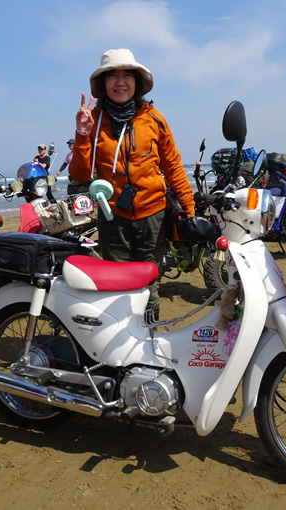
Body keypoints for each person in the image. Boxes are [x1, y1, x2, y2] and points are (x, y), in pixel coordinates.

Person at [69, 48, 195, 319]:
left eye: (127, 75)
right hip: (112, 217)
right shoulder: (94, 120)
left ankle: (148, 337)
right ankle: (121, 338)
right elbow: (80, 174)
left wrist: (189, 211)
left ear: (137, 82)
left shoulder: (155, 119)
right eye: (112, 75)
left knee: (149, 286)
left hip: (153, 216)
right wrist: (82, 133)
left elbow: (173, 167)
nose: (120, 82)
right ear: (103, 83)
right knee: (117, 287)